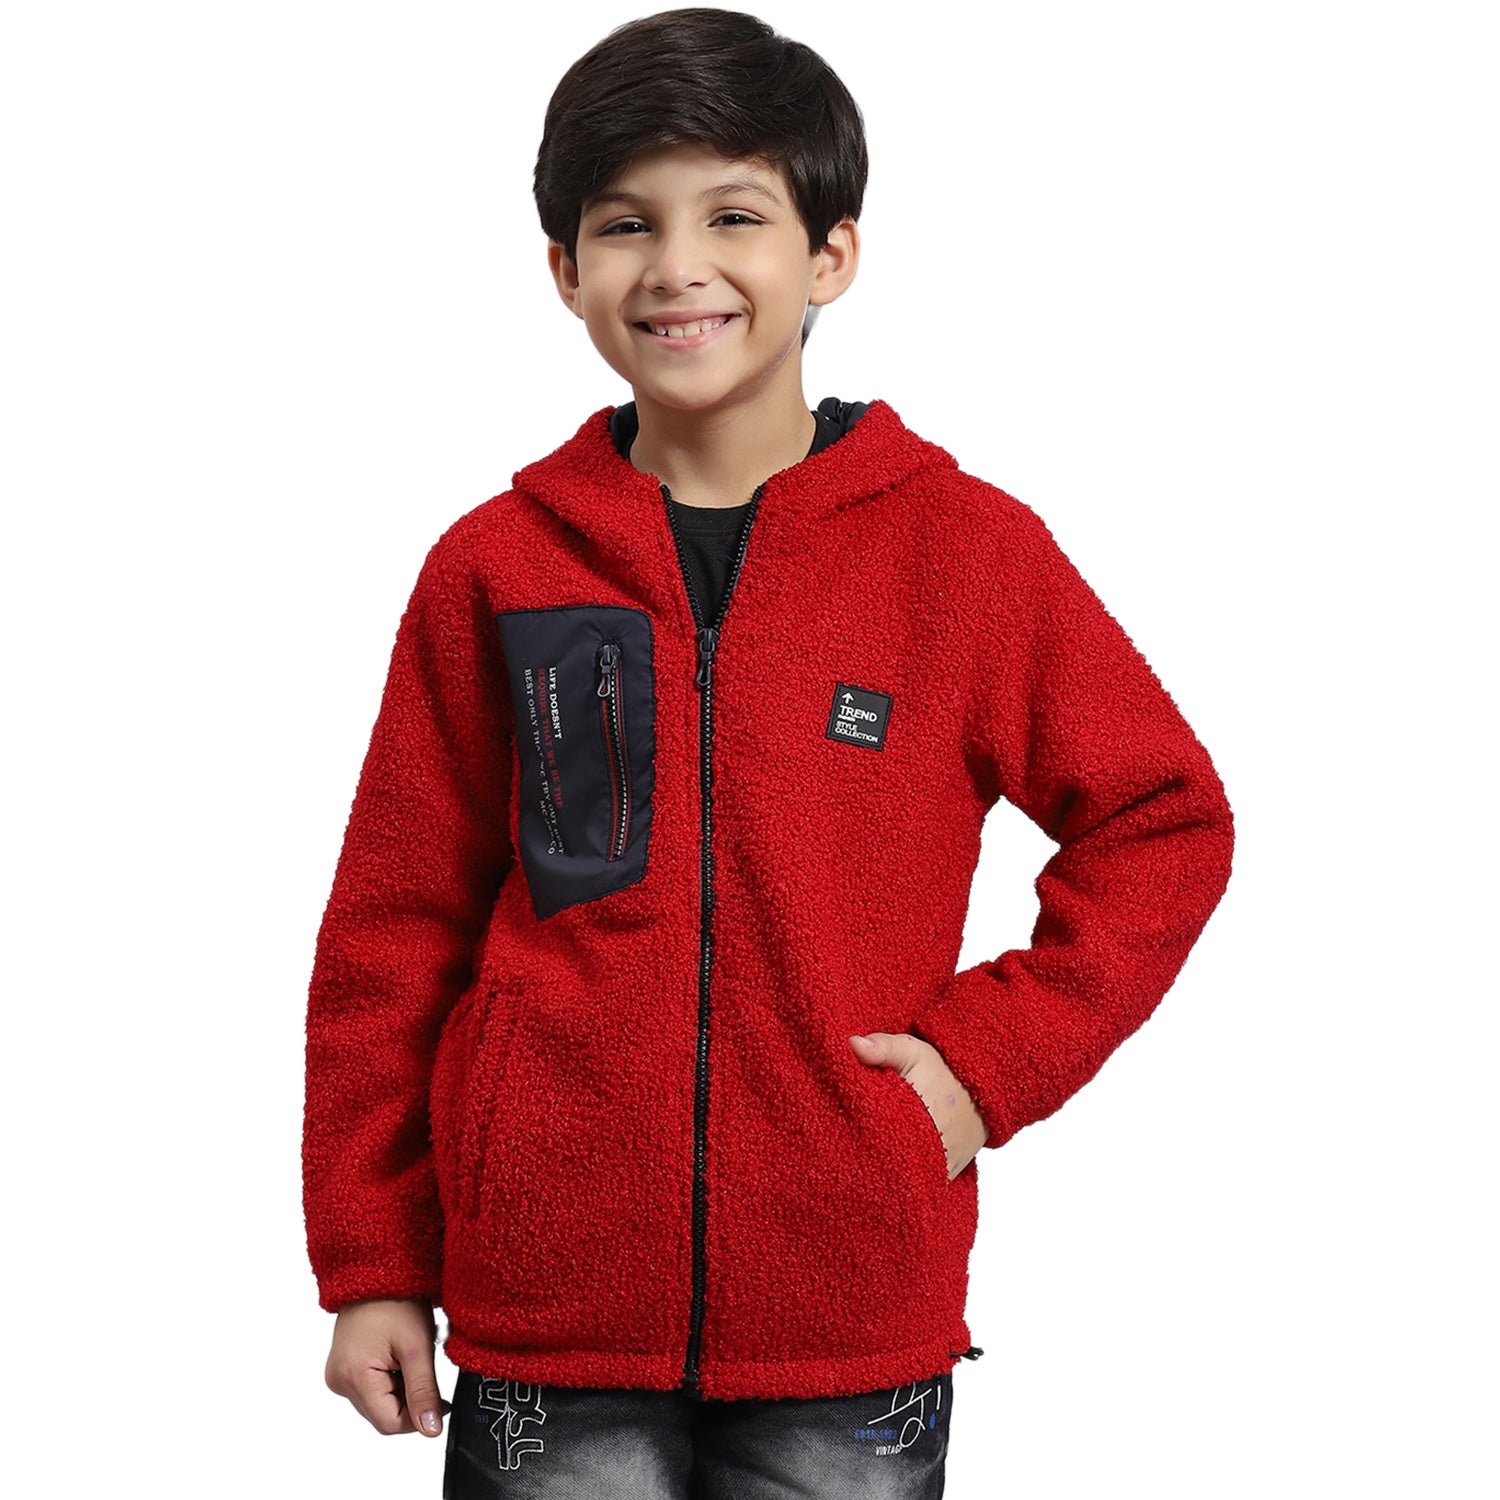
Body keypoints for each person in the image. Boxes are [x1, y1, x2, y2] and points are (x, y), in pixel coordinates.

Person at [302, 8, 1236, 1496]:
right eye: (626, 225)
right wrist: (373, 1261)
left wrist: (982, 1066)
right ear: (565, 272)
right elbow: (394, 928)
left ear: (830, 255)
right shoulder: (497, 565)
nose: (677, 267)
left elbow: (1164, 818)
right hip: (547, 1313)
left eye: (734, 216)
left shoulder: (963, 555)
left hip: (849, 1311)